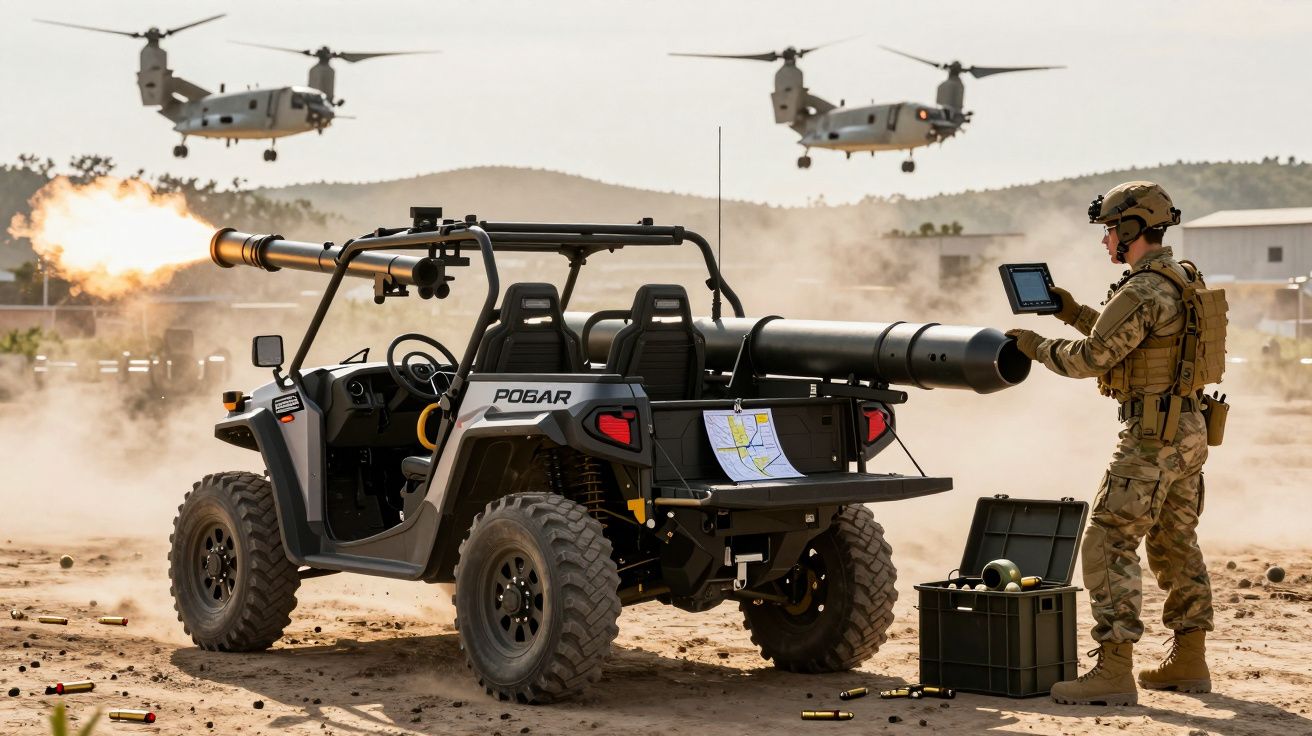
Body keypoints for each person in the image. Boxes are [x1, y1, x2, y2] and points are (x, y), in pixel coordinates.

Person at [1006, 181, 1226, 706]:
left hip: (1151, 438)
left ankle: (1114, 668)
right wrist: (1072, 312)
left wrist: (1034, 345)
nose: (1105, 240)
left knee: (1108, 540)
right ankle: (1189, 660)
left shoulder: (1142, 289)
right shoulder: (1182, 277)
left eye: (1109, 230)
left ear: (1131, 228)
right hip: (1188, 430)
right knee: (1175, 541)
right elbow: (1137, 341)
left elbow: (1091, 358)